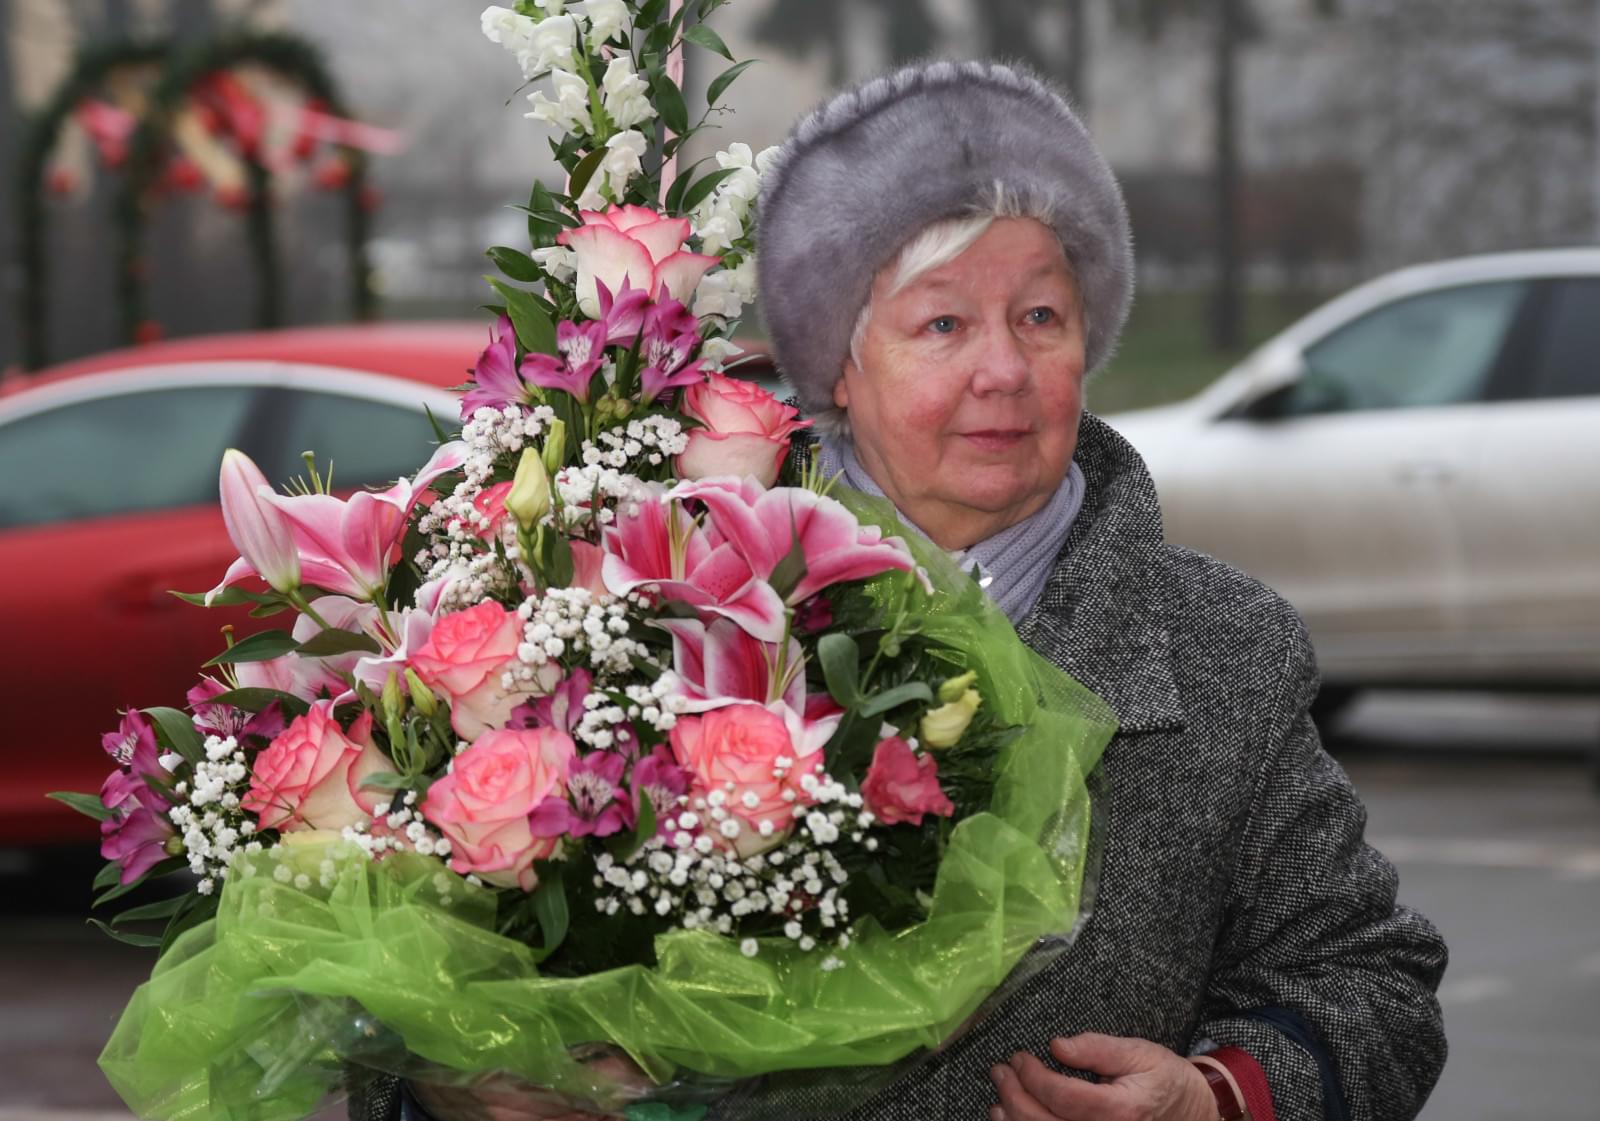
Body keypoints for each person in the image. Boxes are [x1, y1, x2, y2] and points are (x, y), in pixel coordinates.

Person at [375, 58, 1447, 1121]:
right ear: (837, 362)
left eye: (1040, 317)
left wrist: (1212, 1097)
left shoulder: (1223, 648)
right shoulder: (633, 604)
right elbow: (393, 997)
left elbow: (1370, 986)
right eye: (942, 323)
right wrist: (462, 1088)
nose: (1004, 371)